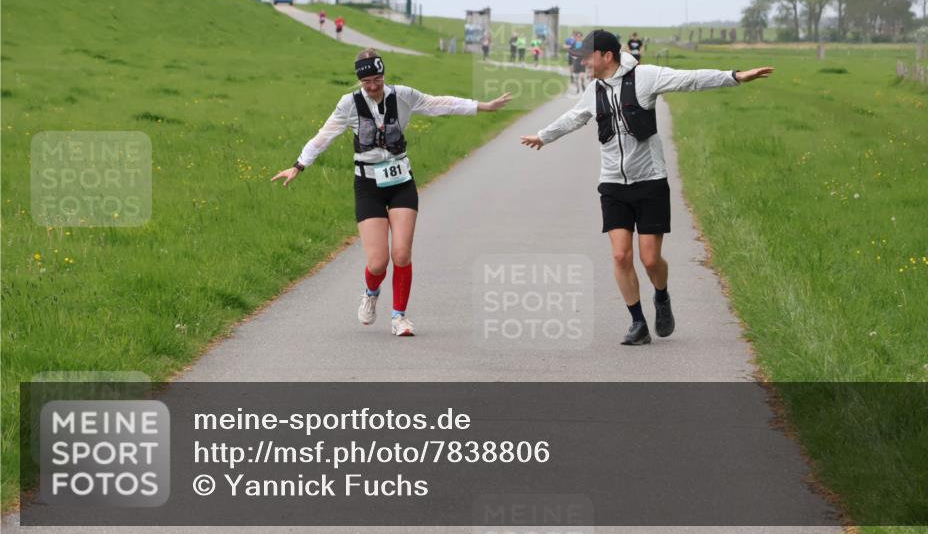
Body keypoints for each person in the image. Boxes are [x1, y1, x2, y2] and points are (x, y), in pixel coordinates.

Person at [520, 30, 773, 345]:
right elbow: (574, 117)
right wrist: (543, 136)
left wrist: (734, 76)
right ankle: (638, 322)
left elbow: (688, 79)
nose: (583, 62)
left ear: (606, 56)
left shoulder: (645, 77)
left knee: (650, 259)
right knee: (621, 256)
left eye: (587, 56)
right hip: (613, 184)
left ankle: (662, 296)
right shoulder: (594, 89)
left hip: (650, 181)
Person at [272, 49, 513, 336]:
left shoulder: (403, 96)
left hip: (401, 182)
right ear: (359, 81)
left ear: (384, 75)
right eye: (367, 82)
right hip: (368, 185)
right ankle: (371, 293)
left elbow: (439, 103)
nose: (373, 87)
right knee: (378, 261)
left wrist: (482, 106)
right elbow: (324, 136)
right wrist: (299, 165)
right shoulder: (349, 104)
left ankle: (400, 317)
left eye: (377, 79)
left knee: (401, 253)